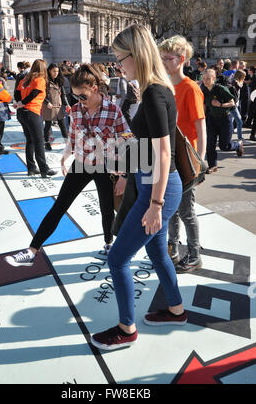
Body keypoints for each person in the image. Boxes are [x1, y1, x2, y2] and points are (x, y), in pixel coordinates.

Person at [90, 24, 186, 351]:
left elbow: (163, 151)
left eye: (121, 58)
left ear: (137, 55)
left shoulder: (156, 92)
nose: (119, 65)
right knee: (157, 251)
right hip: (150, 182)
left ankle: (126, 328)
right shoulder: (151, 90)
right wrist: (126, 165)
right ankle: (176, 310)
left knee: (117, 259)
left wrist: (155, 205)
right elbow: (149, 145)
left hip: (158, 188)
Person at [5, 63, 128, 268]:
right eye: (75, 96)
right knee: (59, 206)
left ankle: (108, 243)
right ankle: (32, 250)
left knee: (106, 208)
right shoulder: (77, 110)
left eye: (82, 96)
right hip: (81, 164)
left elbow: (127, 142)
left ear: (95, 89)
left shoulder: (113, 110)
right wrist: (65, 157)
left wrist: (124, 175)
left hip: (105, 167)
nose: (79, 101)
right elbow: (72, 137)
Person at [159, 35, 206, 273]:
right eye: (163, 57)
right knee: (171, 207)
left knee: (186, 210)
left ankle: (195, 254)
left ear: (182, 59)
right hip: (171, 157)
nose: (165, 61)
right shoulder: (167, 86)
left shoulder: (190, 88)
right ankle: (173, 247)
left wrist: (200, 161)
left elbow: (200, 126)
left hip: (188, 159)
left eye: (169, 58)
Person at [13, 59, 57, 178]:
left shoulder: (25, 79)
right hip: (32, 112)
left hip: (22, 113)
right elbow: (34, 94)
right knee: (39, 142)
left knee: (30, 141)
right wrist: (22, 103)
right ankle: (44, 169)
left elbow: (16, 93)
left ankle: (31, 168)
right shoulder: (40, 79)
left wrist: (19, 103)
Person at [202, 69, 244, 172]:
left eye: (208, 79)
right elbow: (204, 105)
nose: (205, 81)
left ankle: (238, 145)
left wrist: (220, 104)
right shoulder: (204, 90)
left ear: (213, 79)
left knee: (224, 146)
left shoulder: (221, 89)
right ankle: (213, 166)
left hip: (225, 119)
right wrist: (202, 118)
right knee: (210, 144)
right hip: (212, 119)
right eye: (204, 78)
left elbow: (232, 103)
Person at [42, 64, 70, 150]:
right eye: (54, 71)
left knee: (62, 126)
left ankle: (67, 144)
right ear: (49, 71)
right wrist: (47, 102)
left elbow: (63, 95)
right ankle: (47, 143)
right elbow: (42, 94)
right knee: (48, 125)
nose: (56, 73)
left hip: (59, 106)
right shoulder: (45, 81)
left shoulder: (59, 81)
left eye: (57, 71)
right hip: (49, 107)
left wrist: (67, 104)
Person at [229, 69, 245, 141]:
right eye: (243, 77)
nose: (244, 78)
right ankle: (240, 138)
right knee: (239, 121)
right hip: (233, 105)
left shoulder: (233, 81)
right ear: (240, 76)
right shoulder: (235, 83)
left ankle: (228, 137)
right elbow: (239, 87)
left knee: (231, 121)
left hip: (234, 103)